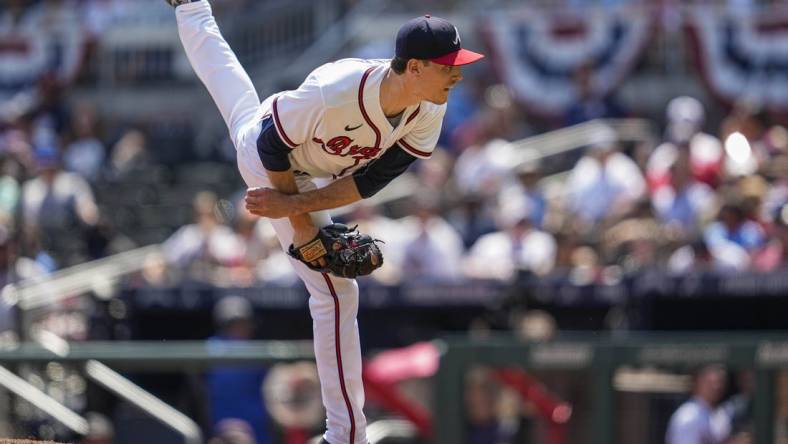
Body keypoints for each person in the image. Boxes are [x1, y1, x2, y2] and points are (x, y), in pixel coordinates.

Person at [165, 1, 484, 443]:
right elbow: (272, 145)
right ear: (414, 67)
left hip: (306, 166)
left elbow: (369, 181)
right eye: (448, 66)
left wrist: (303, 205)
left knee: (235, 97)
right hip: (271, 156)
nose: (458, 74)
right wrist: (297, 218)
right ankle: (345, 434)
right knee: (336, 291)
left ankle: (190, 6)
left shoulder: (429, 106)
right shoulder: (338, 88)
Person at [666, 365, 732, 444]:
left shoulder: (719, 413)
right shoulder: (688, 416)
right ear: (698, 382)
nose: (716, 387)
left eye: (719, 382)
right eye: (710, 383)